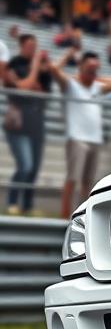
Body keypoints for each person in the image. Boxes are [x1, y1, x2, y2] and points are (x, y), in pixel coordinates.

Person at [51, 50, 111, 217]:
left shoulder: (97, 87)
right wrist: (69, 54)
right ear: (81, 67)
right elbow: (54, 69)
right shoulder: (71, 85)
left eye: (95, 68)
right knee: (72, 179)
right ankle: (63, 218)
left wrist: (95, 77)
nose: (93, 71)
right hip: (77, 138)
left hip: (94, 140)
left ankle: (83, 218)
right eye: (90, 67)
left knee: (87, 183)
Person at [3, 34, 52, 215]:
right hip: (18, 124)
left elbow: (45, 91)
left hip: (36, 123)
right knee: (25, 166)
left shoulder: (41, 67)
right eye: (30, 46)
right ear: (22, 46)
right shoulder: (14, 64)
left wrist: (42, 70)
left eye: (35, 46)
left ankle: (27, 206)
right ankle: (12, 202)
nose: (33, 49)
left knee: (34, 169)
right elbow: (25, 87)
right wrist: (35, 69)